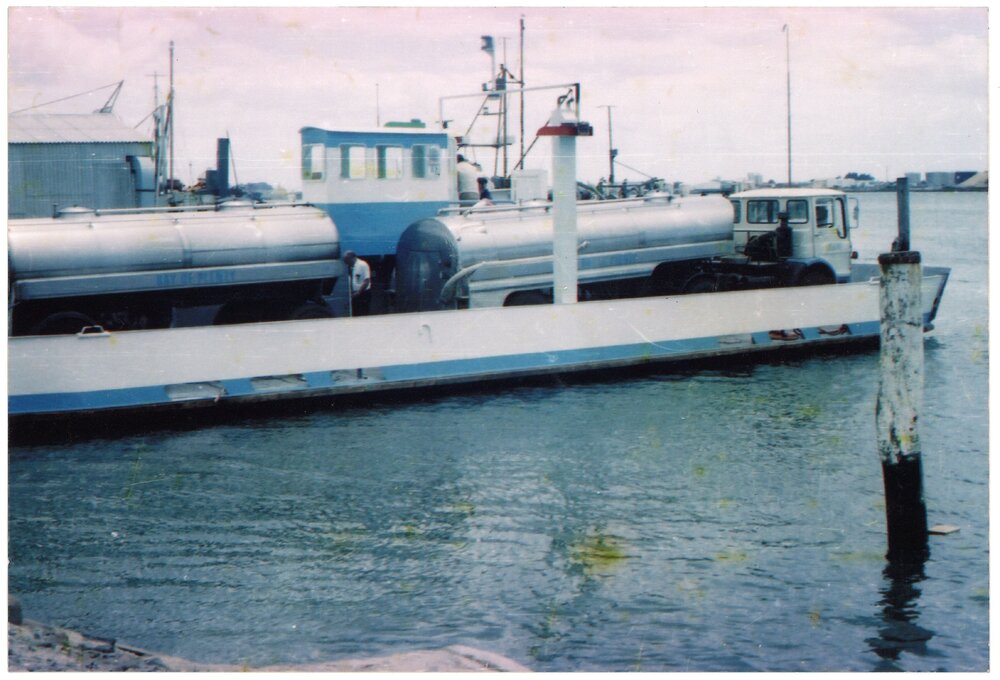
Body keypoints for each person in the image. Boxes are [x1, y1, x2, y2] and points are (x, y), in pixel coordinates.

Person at [343, 250, 371, 316]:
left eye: (347, 260)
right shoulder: (350, 267)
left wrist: (358, 292)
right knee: (355, 313)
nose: (346, 262)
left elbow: (366, 280)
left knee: (363, 312)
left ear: (352, 258)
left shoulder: (362, 265)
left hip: (363, 293)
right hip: (355, 293)